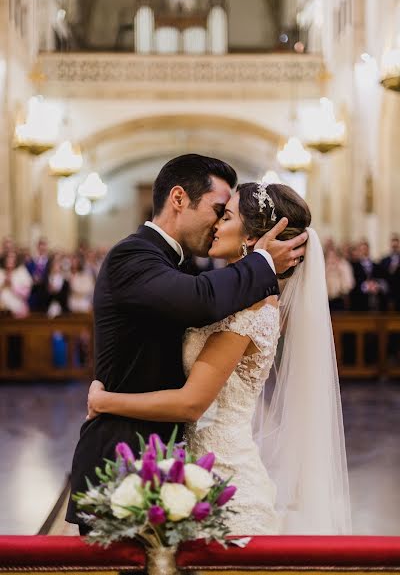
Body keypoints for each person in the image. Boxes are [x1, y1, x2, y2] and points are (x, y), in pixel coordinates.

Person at [86, 182, 351, 535]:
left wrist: (105, 401)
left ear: (252, 238)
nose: (215, 225)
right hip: (199, 471)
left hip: (228, 480)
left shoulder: (252, 309)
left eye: (225, 216)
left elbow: (191, 402)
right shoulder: (232, 294)